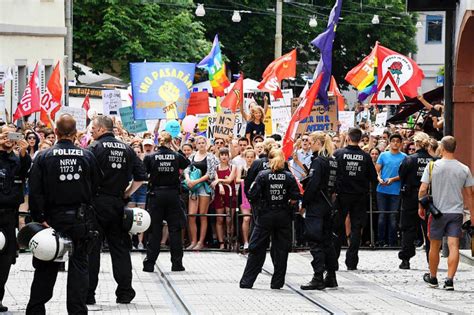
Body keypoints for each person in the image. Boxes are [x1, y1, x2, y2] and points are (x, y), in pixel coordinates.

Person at [26, 114, 102, 314]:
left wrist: (39, 218)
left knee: (46, 265)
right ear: (76, 134)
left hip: (51, 220)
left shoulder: (43, 157)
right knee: (79, 265)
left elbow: (35, 191)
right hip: (81, 219)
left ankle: (35, 309)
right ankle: (77, 310)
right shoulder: (87, 156)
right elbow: (96, 185)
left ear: (56, 132)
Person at [87, 115, 147, 305]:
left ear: (102, 129)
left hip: (96, 203)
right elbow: (141, 177)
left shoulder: (94, 148)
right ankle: (125, 293)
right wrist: (127, 193)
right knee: (120, 250)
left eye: (93, 130)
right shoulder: (128, 149)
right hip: (117, 204)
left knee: (92, 250)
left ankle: (89, 294)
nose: (91, 133)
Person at [239, 149, 300, 289]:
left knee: (256, 248)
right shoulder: (289, 176)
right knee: (281, 250)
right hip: (283, 215)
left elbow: (251, 194)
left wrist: (260, 205)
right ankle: (277, 282)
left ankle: (247, 281)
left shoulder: (262, 175)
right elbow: (296, 196)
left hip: (265, 215)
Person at [419, 136, 473, 291]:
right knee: (453, 245)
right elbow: (470, 194)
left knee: (434, 246)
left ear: (441, 147)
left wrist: (421, 207)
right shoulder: (464, 168)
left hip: (437, 212)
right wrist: (473, 216)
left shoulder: (432, 166)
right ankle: (449, 280)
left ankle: (433, 277)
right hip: (456, 212)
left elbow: (423, 190)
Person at [143, 131, 190, 272]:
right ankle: (177, 264)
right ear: (170, 142)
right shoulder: (176, 156)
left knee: (154, 230)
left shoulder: (150, 156)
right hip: (173, 195)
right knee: (175, 230)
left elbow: (144, 173)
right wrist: (176, 148)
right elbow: (187, 162)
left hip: (156, 195)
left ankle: (150, 264)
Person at [333, 128, 377, 270]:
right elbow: (372, 177)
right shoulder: (365, 156)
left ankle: (333, 260)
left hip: (342, 195)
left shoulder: (338, 154)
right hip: (359, 196)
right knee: (357, 228)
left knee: (338, 226)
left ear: (347, 138)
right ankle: (352, 262)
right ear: (359, 139)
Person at [300, 132, 339, 290]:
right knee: (327, 240)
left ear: (317, 142)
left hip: (317, 204)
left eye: (310, 142)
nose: (309, 145)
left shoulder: (318, 161)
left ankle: (318, 277)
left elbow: (313, 185)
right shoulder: (333, 161)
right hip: (329, 203)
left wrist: (305, 202)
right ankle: (331, 276)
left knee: (315, 241)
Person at [0, 126, 30, 313]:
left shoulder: (18, 159)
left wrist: (25, 152)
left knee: (6, 259)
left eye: (12, 135)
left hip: (9, 216)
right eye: (5, 135)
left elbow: (26, 173)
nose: (9, 139)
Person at [398, 132, 433, 269]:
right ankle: (431, 259)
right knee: (429, 229)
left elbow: (402, 175)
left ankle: (405, 259)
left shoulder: (409, 159)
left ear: (416, 143)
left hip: (410, 196)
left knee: (408, 228)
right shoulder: (433, 160)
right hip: (429, 197)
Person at [185, 136, 219, 250]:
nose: (201, 144)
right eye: (198, 143)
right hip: (193, 188)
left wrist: (196, 181)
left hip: (204, 187)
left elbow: (210, 174)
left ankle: (200, 242)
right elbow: (187, 169)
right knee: (192, 215)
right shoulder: (192, 156)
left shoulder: (211, 157)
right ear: (196, 144)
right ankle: (193, 241)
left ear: (206, 143)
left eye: (203, 142)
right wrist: (188, 180)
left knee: (202, 215)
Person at [376, 133, 406, 247]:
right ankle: (380, 241)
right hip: (382, 190)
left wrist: (393, 179)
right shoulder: (383, 155)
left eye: (397, 141)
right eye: (393, 141)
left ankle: (392, 242)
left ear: (400, 143)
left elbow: (404, 174)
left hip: (396, 191)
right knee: (382, 215)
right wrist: (379, 179)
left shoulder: (404, 157)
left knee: (393, 216)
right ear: (390, 142)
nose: (395, 143)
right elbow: (377, 170)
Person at [212, 147, 237, 249]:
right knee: (219, 219)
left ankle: (229, 240)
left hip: (231, 194)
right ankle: (221, 242)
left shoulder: (233, 167)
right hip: (219, 194)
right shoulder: (216, 168)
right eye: (222, 154)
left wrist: (219, 182)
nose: (224, 156)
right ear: (219, 156)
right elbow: (216, 180)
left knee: (229, 219)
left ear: (229, 156)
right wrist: (221, 184)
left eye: (226, 154)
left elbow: (230, 180)